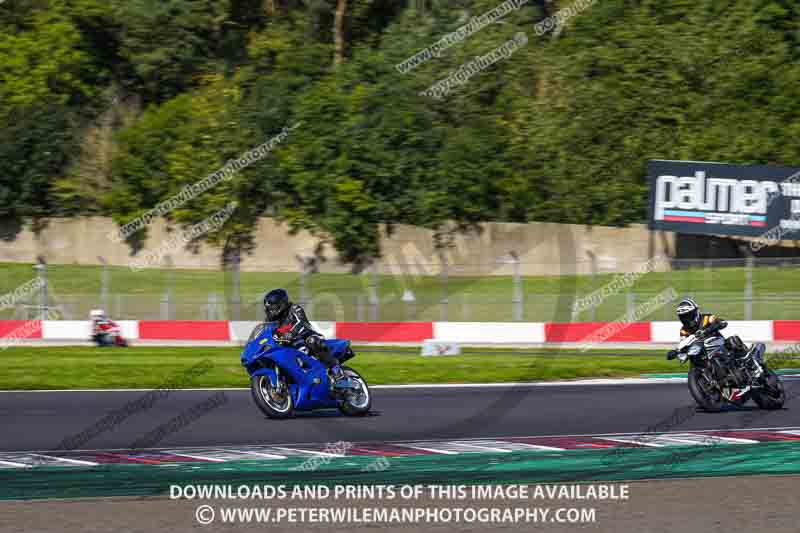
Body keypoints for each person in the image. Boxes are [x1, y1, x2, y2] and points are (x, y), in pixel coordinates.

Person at [263, 289, 350, 388]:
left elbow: (302, 322)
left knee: (312, 342)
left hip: (305, 337)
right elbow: (266, 333)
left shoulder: (294, 309)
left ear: (281, 303)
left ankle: (338, 374)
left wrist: (291, 333)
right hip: (288, 344)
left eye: (273, 307)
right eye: (269, 308)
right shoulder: (270, 321)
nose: (271, 310)